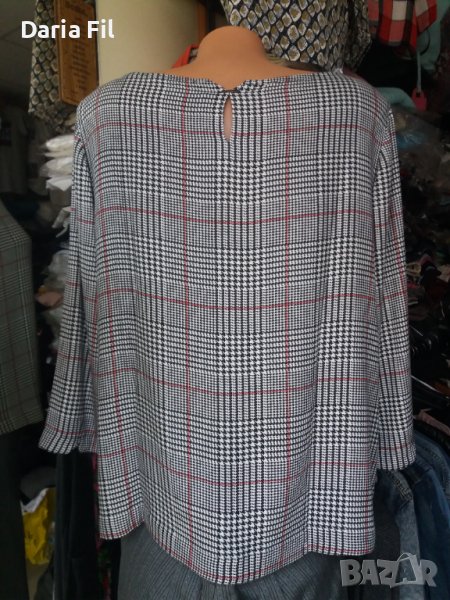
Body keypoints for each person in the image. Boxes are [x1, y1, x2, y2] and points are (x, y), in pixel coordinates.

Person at [39, 23, 415, 600]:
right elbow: (383, 295)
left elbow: (92, 291)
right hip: (308, 491)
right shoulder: (358, 113)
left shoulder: (106, 115)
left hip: (161, 490)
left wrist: (76, 415)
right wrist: (389, 430)